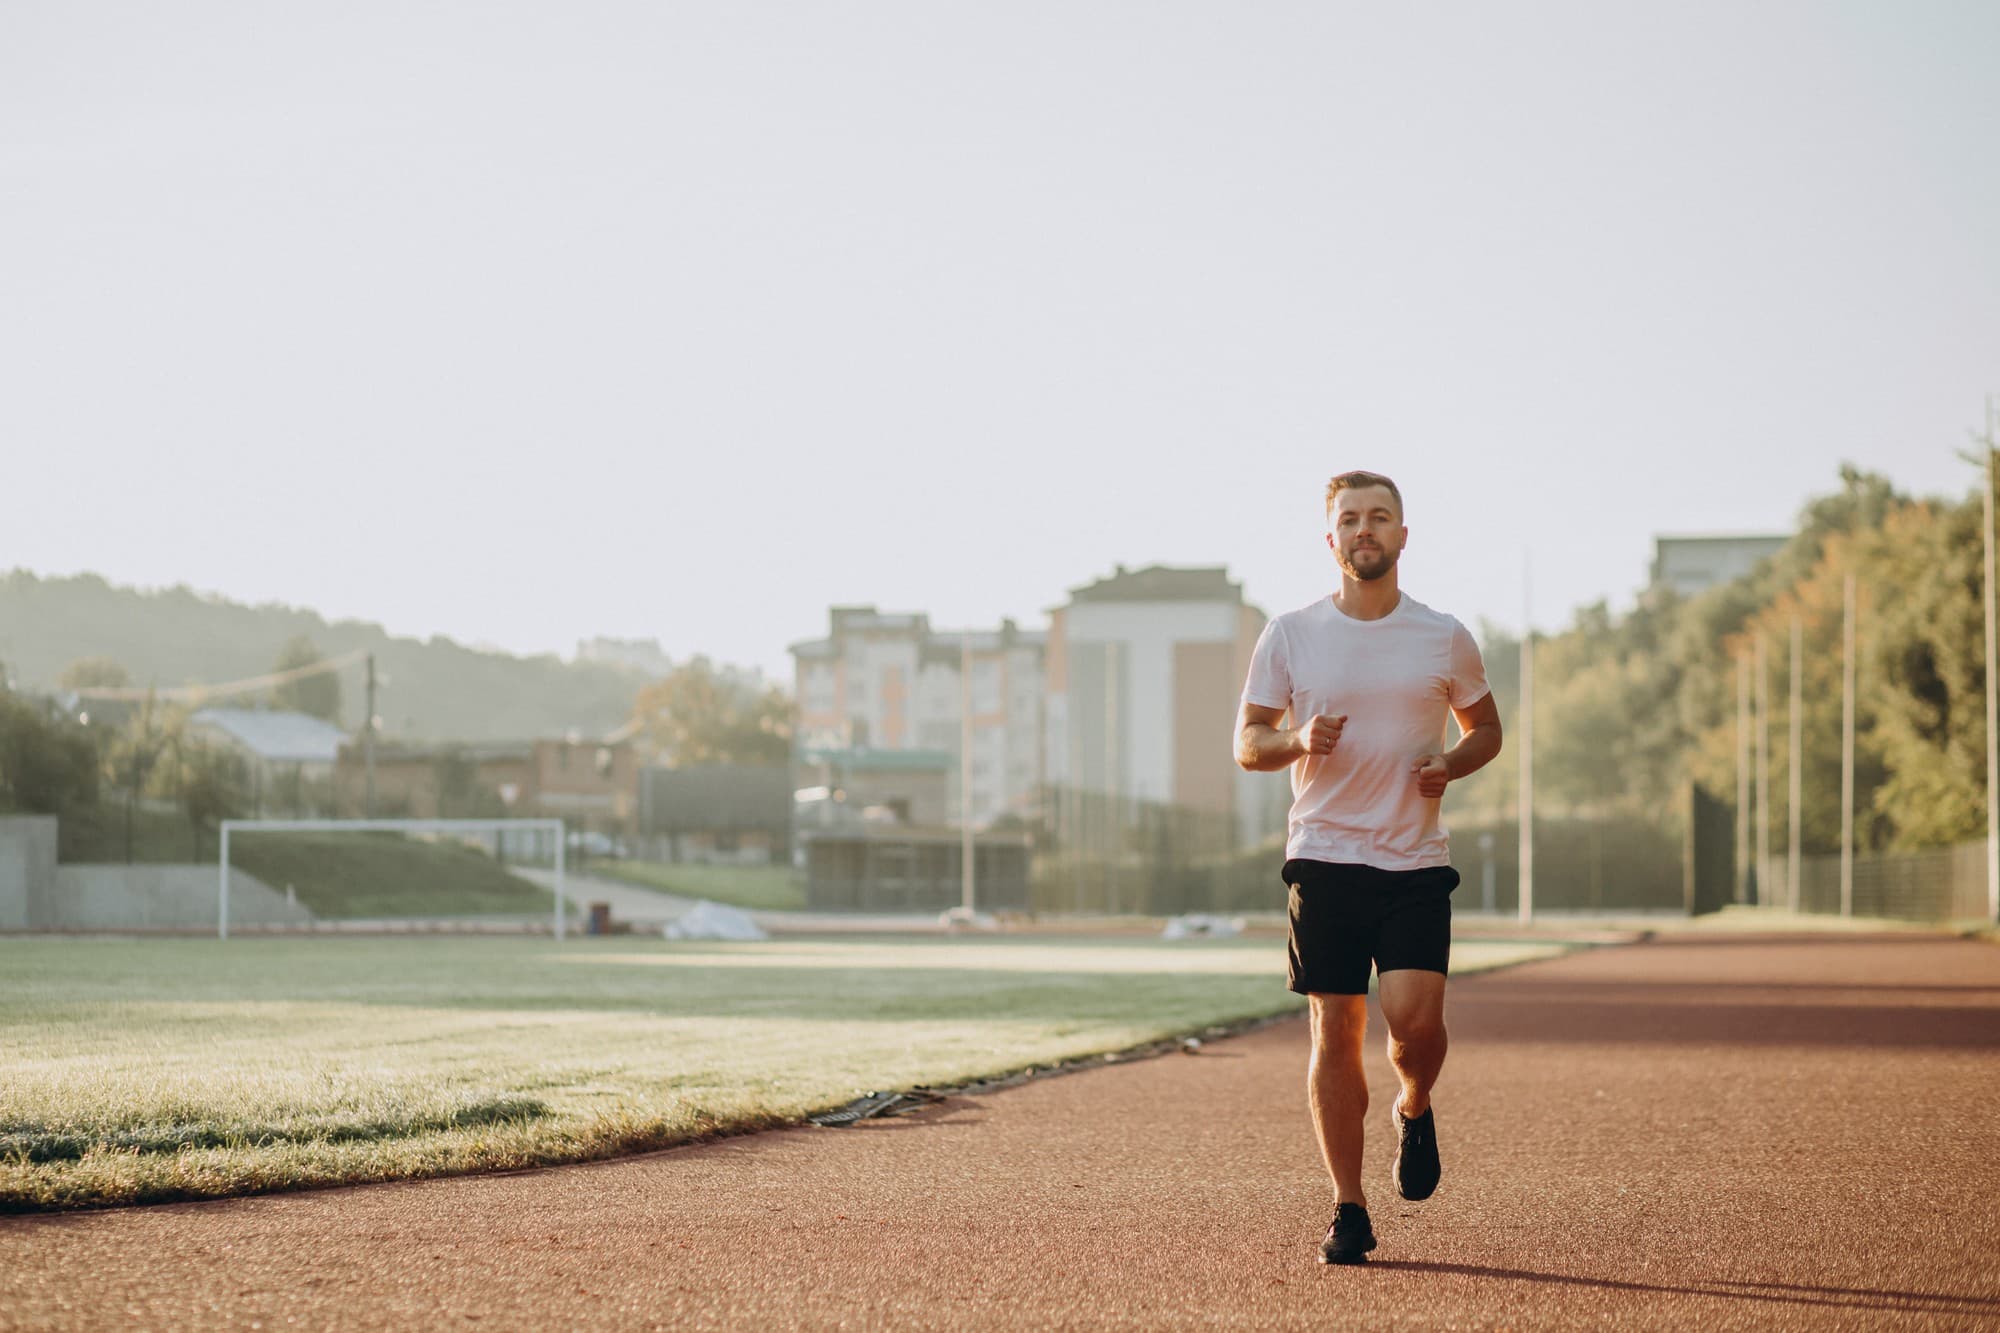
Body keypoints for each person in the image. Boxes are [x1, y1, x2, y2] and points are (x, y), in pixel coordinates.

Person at [1233, 470, 1502, 1265]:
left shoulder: (1443, 634)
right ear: (1331, 539)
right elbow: (1248, 742)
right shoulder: (1290, 633)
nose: (1365, 530)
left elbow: (1486, 728)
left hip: (1415, 858)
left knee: (1416, 1029)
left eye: (1379, 517)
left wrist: (1450, 765)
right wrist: (1296, 739)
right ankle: (1348, 1207)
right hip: (1325, 855)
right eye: (1350, 519)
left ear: (1402, 535)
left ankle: (1414, 1105)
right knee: (1336, 1027)